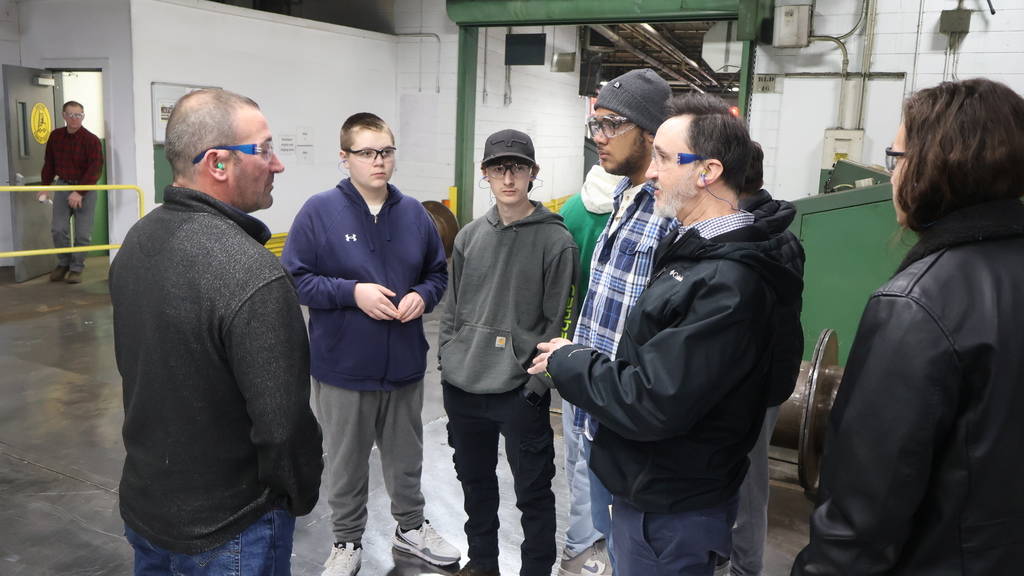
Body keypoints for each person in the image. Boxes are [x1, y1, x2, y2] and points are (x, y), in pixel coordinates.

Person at [530, 93, 802, 576]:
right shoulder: (696, 252)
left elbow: (654, 399)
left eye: (663, 157)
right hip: (653, 484)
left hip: (671, 505)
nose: (651, 172)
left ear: (707, 172)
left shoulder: (726, 283)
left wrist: (569, 361)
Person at [791, 79, 1024, 575]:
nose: (893, 175)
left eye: (896, 158)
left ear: (935, 165)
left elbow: (863, 515)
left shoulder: (918, 303)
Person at [109, 88, 324, 576]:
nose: (278, 165)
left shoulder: (137, 242)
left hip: (148, 511)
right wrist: (295, 493)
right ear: (219, 164)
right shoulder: (253, 275)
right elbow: (283, 425)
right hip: (234, 531)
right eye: (264, 149)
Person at [280, 112, 458, 576]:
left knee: (406, 455)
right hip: (343, 365)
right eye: (366, 153)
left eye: (386, 151)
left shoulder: (414, 214)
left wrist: (423, 295)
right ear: (345, 159)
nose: (379, 161)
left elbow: (437, 274)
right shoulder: (320, 212)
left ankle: (411, 527)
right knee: (345, 459)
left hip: (402, 363)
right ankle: (346, 541)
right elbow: (295, 279)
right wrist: (351, 292)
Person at [438, 129, 579, 576]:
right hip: (463, 388)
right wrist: (447, 359)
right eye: (499, 168)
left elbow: (563, 321)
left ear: (533, 173)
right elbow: (453, 309)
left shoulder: (557, 243)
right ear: (485, 174)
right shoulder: (469, 237)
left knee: (534, 492)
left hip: (518, 391)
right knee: (476, 485)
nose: (509, 178)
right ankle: (481, 564)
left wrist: (539, 384)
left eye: (518, 167)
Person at [569, 67, 676, 571]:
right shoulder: (622, 199)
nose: (599, 139)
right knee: (613, 538)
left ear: (651, 132)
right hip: (599, 405)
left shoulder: (670, 213)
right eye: (596, 125)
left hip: (630, 416)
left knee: (638, 546)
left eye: (612, 125)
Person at [728, 141, 805, 576]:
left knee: (748, 481)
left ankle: (744, 569)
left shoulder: (753, 237)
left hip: (756, 385)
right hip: (774, 377)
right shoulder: (782, 229)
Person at [555, 162, 618, 576]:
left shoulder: (570, 210)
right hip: (613, 360)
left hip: (571, 347)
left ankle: (577, 549)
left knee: (576, 451)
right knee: (602, 457)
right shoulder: (633, 213)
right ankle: (591, 548)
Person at [37, 100, 104, 284]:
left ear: (83, 116)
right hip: (63, 186)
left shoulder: (91, 140)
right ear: (64, 115)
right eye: (71, 115)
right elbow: (49, 163)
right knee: (58, 229)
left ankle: (76, 269)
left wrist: (79, 192)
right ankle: (63, 264)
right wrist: (45, 186)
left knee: (83, 234)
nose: (75, 119)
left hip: (86, 190)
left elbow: (96, 169)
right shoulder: (55, 136)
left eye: (79, 115)